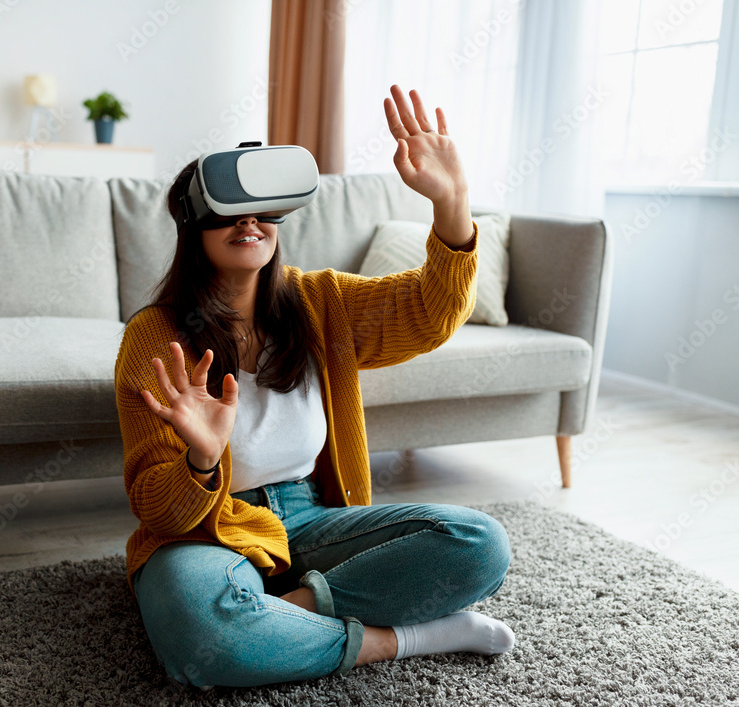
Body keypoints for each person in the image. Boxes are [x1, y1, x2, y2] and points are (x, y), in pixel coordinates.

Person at [114, 85, 514, 691]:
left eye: (262, 208)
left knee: (479, 543)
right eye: (228, 209)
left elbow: (430, 313)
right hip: (208, 531)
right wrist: (199, 460)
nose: (249, 221)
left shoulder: (322, 301)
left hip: (310, 519)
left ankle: (285, 613)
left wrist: (452, 203)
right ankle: (405, 638)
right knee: (201, 642)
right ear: (193, 224)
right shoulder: (154, 337)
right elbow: (156, 509)